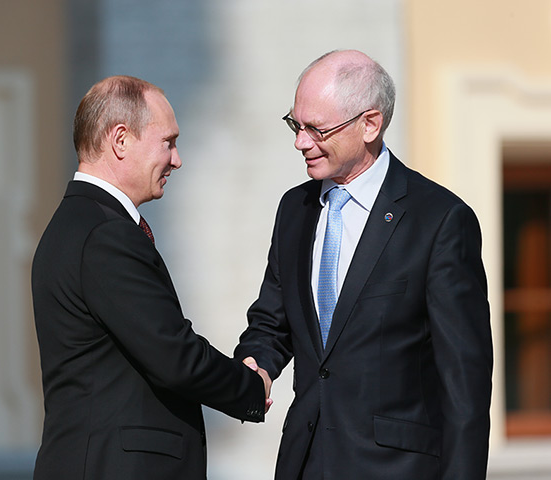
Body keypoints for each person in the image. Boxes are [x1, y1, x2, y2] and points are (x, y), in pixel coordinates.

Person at [235, 50, 493, 480]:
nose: (301, 141)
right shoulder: (294, 209)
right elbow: (272, 322)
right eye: (295, 125)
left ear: (370, 124)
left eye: (316, 129)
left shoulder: (439, 220)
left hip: (397, 468)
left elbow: (465, 383)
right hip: (305, 463)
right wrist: (254, 366)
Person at [32, 75, 269, 480]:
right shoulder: (105, 234)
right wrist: (248, 386)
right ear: (120, 140)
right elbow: (173, 355)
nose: (177, 159)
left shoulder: (80, 223)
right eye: (168, 142)